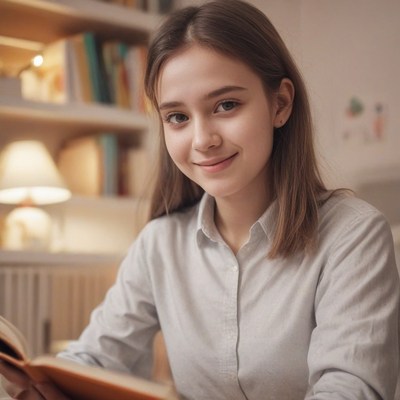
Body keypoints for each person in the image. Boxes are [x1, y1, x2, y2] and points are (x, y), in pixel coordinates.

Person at [1, 0, 399, 398]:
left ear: (280, 104)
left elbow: (350, 391)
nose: (202, 140)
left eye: (226, 105)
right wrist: (41, 384)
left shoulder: (353, 235)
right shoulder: (160, 243)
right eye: (177, 117)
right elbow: (95, 357)